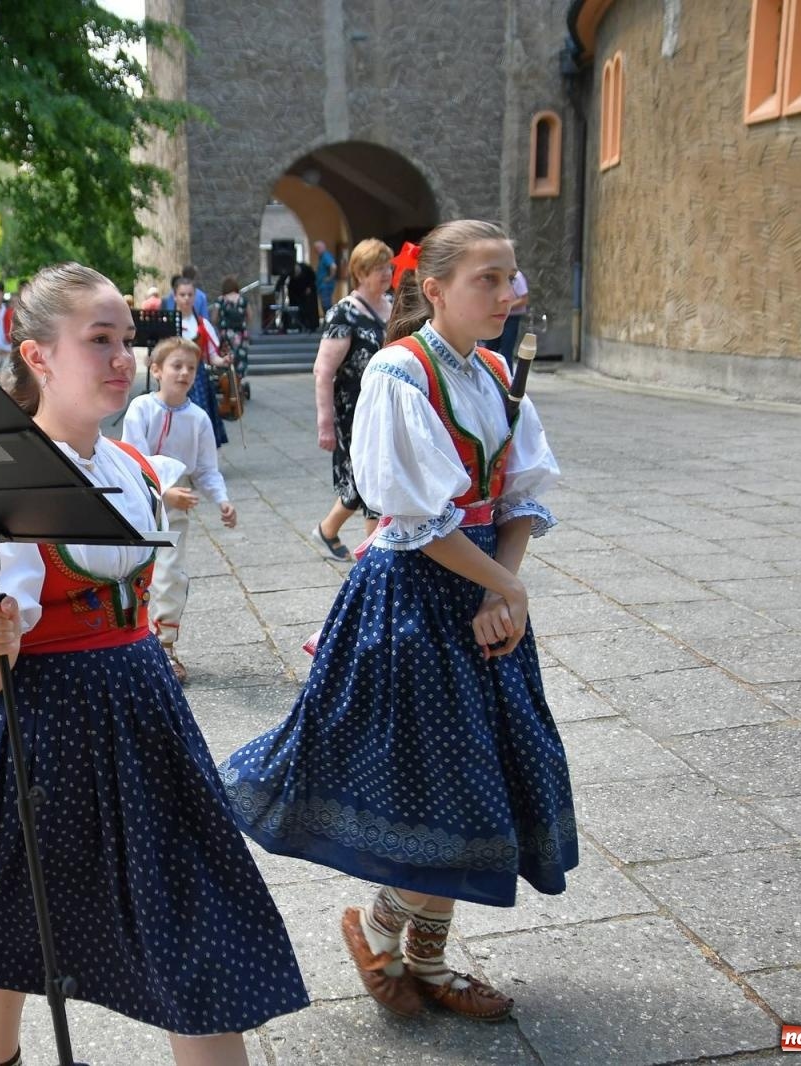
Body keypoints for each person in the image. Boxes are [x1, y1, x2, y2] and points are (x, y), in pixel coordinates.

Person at [0, 262, 307, 1065]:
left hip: (143, 715)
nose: (125, 357)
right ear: (38, 356)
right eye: (99, 341)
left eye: (128, 340)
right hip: (35, 727)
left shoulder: (134, 472)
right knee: (5, 911)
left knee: (192, 917)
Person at [220, 220, 572, 1024]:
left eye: (512, 277)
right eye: (489, 278)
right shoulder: (396, 372)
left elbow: (519, 496)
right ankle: (380, 930)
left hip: (477, 594)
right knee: (448, 793)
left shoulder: (494, 372)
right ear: (436, 289)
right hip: (414, 600)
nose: (510, 293)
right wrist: (498, 590)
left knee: (475, 782)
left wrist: (500, 591)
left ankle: (428, 960)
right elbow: (412, 517)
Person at [120, 337, 236, 684]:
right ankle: (131, 645)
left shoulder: (199, 418)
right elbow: (132, 458)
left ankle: (165, 645)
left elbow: (205, 468)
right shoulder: (140, 408)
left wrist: (222, 500)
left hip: (177, 509)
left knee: (171, 574)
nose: (184, 372)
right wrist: (163, 491)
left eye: (191, 367)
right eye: (176, 366)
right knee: (131, 572)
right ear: (156, 370)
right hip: (140, 503)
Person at [309, 238, 393, 561]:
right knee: (363, 480)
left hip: (386, 408)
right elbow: (323, 370)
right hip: (354, 412)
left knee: (378, 477)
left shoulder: (392, 305)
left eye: (388, 266)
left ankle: (340, 536)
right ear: (360, 272)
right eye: (378, 268)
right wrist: (325, 423)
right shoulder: (344, 313)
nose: (386, 273)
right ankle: (367, 548)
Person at [171, 276, 229, 449]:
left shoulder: (203, 325)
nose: (186, 298)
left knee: (200, 420)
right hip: (173, 379)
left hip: (198, 378)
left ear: (195, 296)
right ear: (175, 296)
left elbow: (213, 356)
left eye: (190, 294)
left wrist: (223, 360)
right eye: (182, 295)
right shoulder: (169, 323)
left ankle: (203, 462)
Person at [215, 276, 250, 380]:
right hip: (240, 334)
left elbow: (214, 317)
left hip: (226, 334)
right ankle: (239, 379)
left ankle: (227, 379)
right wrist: (244, 325)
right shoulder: (243, 300)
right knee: (240, 358)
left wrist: (219, 326)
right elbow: (249, 316)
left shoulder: (220, 300)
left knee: (226, 357)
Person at [494, 267, 529, 368]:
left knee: (506, 350)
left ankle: (508, 380)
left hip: (511, 318)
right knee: (490, 349)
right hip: (496, 316)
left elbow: (524, 299)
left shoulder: (518, 277)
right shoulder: (499, 275)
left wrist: (507, 306)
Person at [314, 240, 338, 311]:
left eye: (317, 248)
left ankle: (329, 321)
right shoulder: (322, 257)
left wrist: (329, 277)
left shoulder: (326, 256)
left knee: (326, 306)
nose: (316, 251)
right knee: (324, 305)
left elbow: (333, 266)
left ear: (322, 247)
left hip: (325, 286)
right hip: (322, 286)